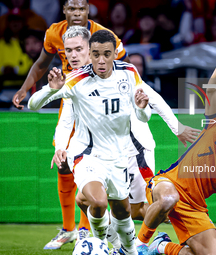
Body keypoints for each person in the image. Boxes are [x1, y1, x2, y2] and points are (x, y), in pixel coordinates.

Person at [51, 26, 200, 254]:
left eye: (78, 50)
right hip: (96, 153)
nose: (73, 55)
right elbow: (65, 120)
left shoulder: (123, 74)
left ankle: (161, 242)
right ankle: (122, 246)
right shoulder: (76, 81)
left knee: (139, 209)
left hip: (132, 150)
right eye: (68, 51)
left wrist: (177, 127)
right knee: (88, 199)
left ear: (90, 51)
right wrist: (62, 146)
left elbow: (154, 98)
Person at [12, 0, 129, 250]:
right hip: (70, 99)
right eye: (72, 9)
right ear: (64, 10)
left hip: (99, 106)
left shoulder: (103, 35)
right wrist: (25, 88)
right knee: (64, 163)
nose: (77, 13)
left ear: (88, 10)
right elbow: (42, 63)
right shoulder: (55, 32)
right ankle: (70, 229)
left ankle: (89, 231)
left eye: (82, 9)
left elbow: (124, 67)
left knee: (97, 168)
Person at [28, 29, 151, 255]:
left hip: (119, 157)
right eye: (96, 54)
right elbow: (33, 105)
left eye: (106, 54)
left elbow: (142, 115)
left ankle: (130, 250)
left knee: (123, 213)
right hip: (87, 155)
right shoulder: (77, 79)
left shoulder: (129, 73)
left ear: (116, 53)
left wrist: (143, 110)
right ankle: (98, 244)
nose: (101, 60)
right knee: (99, 202)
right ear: (90, 54)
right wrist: (50, 90)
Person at [135, 38, 216, 255]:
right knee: (168, 199)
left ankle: (161, 246)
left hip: (194, 207)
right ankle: (137, 246)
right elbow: (213, 90)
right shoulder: (214, 123)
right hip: (168, 183)